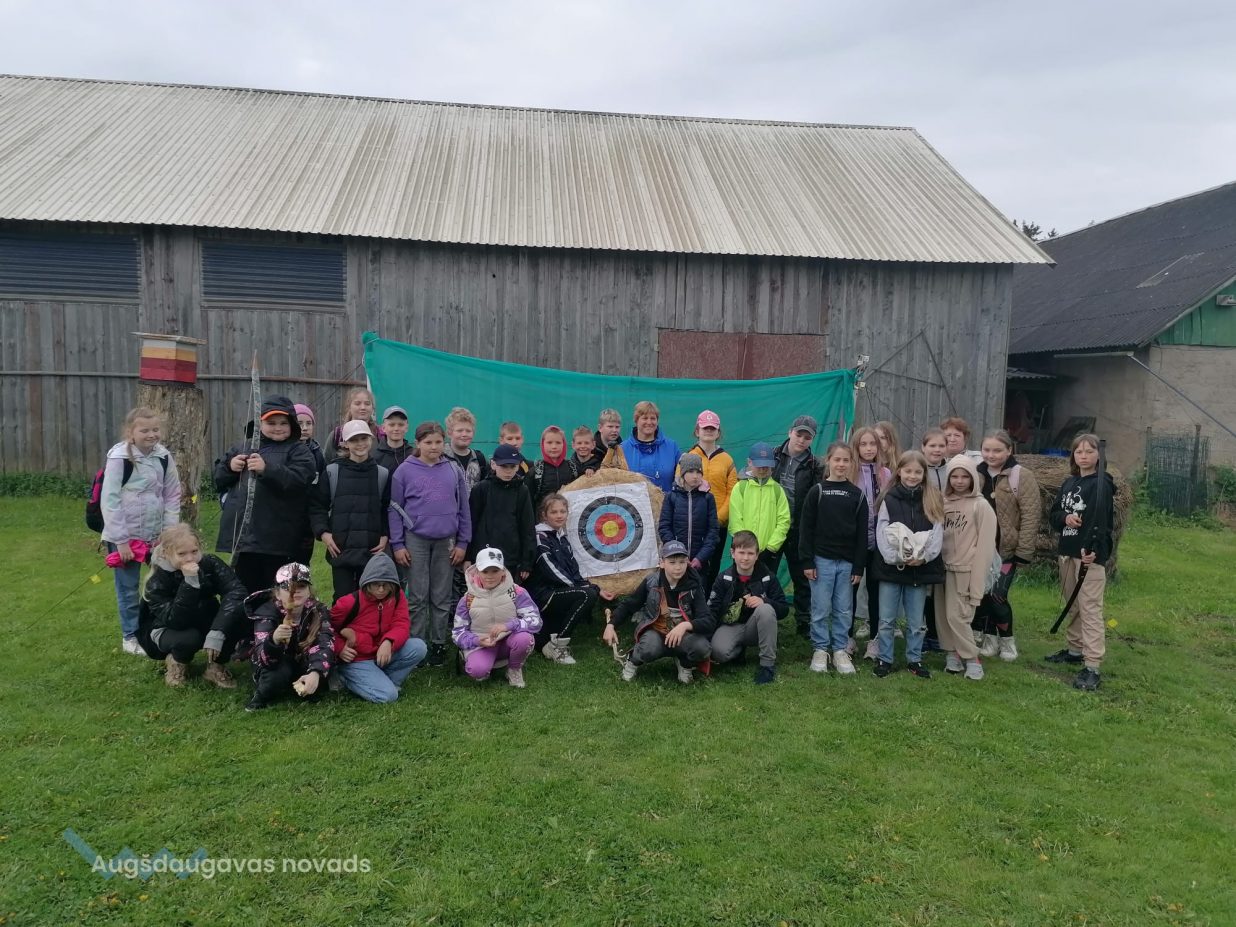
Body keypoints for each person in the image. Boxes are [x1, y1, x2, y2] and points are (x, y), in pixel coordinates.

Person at [214, 395, 318, 595]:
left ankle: (274, 616)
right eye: (271, 423)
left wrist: (267, 469)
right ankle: (247, 616)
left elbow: (300, 479)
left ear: (292, 425)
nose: (277, 428)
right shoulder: (242, 447)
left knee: (277, 591)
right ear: (259, 424)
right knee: (245, 590)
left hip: (279, 539)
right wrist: (229, 467)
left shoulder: (298, 451)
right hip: (245, 539)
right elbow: (218, 479)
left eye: (283, 423)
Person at [389, 421, 472, 667]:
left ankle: (438, 643)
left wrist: (463, 542)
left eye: (438, 442)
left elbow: (464, 508)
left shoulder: (452, 469)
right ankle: (417, 644)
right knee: (417, 595)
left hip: (446, 541)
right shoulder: (404, 471)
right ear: (418, 443)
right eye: (428, 442)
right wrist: (398, 544)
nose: (434, 447)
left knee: (441, 595)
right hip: (416, 540)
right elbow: (394, 508)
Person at [101, 406, 182, 654]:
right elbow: (110, 500)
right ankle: (130, 637)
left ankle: (157, 629)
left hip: (157, 536)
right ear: (130, 432)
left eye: (155, 429)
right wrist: (121, 540)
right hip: (126, 537)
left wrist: (168, 534)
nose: (151, 435)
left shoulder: (163, 456)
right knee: (128, 588)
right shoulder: (119, 459)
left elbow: (172, 494)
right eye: (144, 430)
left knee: (162, 582)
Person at [137, 523, 247, 688]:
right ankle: (177, 662)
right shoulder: (157, 579)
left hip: (204, 618)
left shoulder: (209, 563)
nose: (190, 558)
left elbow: (236, 591)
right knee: (189, 638)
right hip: (168, 628)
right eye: (182, 554)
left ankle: (215, 666)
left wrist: (218, 630)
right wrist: (190, 582)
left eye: (194, 551)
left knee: (237, 618)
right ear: (166, 553)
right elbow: (175, 620)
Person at [1047, 433, 1115, 691]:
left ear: (1099, 455)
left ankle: (1092, 665)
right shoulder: (1069, 482)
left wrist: (1094, 550)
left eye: (1089, 451)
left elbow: (1102, 523)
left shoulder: (1102, 485)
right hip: (1068, 551)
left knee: (1090, 609)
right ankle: (1075, 650)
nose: (1083, 456)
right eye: (1079, 451)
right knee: (1073, 604)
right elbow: (1053, 515)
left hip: (1088, 556)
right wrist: (1065, 518)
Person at [871, 450, 945, 679]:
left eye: (917, 472)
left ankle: (914, 659)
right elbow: (882, 532)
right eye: (908, 471)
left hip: (919, 570)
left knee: (915, 621)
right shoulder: (889, 498)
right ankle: (885, 658)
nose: (912, 476)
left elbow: (937, 532)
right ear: (899, 472)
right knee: (886, 619)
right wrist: (896, 558)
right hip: (892, 569)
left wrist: (924, 557)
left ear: (924, 474)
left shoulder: (932, 499)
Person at [801, 442, 868, 674]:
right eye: (837, 459)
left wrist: (858, 566)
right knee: (820, 607)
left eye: (845, 460)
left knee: (844, 609)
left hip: (847, 564)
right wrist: (807, 561)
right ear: (828, 460)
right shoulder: (817, 492)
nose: (841, 464)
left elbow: (862, 535)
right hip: (822, 562)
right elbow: (806, 529)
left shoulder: (857, 495)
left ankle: (840, 649)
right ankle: (820, 648)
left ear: (851, 463)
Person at [604, 541, 713, 684]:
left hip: (682, 636)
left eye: (682, 562)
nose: (678, 567)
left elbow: (708, 620)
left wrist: (685, 626)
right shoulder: (651, 582)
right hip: (656, 633)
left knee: (702, 648)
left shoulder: (694, 585)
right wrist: (611, 625)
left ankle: (685, 663)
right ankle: (633, 661)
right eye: (672, 562)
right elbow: (630, 604)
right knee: (648, 649)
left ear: (687, 562)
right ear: (662, 563)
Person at [973, 430, 1040, 662]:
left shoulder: (1021, 476)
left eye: (997, 450)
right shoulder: (976, 474)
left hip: (1006, 551)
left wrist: (1024, 550)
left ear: (1009, 450)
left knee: (998, 596)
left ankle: (1007, 641)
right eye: (987, 450)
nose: (991, 455)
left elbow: (1031, 514)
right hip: (980, 549)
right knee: (983, 596)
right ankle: (989, 639)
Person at [528, 493, 615, 664]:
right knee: (586, 595)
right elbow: (550, 569)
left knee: (589, 593)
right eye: (554, 512)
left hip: (560, 591)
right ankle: (559, 646)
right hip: (543, 595)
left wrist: (596, 588)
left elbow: (574, 571)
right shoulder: (540, 537)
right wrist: (583, 589)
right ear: (544, 515)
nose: (559, 515)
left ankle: (551, 642)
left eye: (563, 511)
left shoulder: (562, 538)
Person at [308, 421, 391, 600]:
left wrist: (385, 535)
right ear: (345, 443)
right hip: (341, 550)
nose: (360, 444)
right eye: (354, 440)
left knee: (369, 600)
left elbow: (386, 509)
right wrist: (324, 533)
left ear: (371, 440)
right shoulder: (332, 472)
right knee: (343, 600)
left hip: (371, 550)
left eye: (364, 438)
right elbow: (317, 507)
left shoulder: (382, 474)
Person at [329, 553, 427, 703]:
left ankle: (384, 681)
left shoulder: (398, 596)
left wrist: (389, 642)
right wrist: (340, 648)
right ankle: (345, 678)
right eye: (376, 584)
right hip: (356, 659)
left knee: (419, 647)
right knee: (389, 696)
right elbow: (326, 630)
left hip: (381, 653)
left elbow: (402, 624)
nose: (381, 589)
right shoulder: (348, 603)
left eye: (386, 585)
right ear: (367, 582)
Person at [935, 455, 998, 681]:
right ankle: (952, 654)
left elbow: (986, 548)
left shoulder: (981, 506)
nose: (959, 481)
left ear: (973, 478)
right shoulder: (942, 502)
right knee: (943, 616)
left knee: (958, 616)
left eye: (965, 476)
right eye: (955, 476)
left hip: (966, 570)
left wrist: (977, 581)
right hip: (942, 568)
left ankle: (972, 659)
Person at [245, 562, 334, 711]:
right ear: (277, 593)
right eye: (287, 587)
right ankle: (260, 696)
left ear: (309, 591)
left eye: (302, 586)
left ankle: (306, 686)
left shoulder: (319, 610)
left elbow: (325, 642)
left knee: (323, 673)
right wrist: (273, 640)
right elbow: (262, 658)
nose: (295, 591)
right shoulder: (266, 613)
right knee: (275, 676)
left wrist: (316, 672)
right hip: (275, 663)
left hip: (303, 658)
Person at [452, 547, 542, 688]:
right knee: (478, 671)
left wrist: (508, 626)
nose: (490, 576)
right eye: (485, 571)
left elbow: (535, 621)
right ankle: (477, 663)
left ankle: (514, 668)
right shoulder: (467, 599)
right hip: (482, 644)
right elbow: (457, 633)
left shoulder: (517, 592)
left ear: (503, 571)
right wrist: (477, 640)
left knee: (524, 638)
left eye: (495, 571)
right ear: (477, 572)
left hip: (509, 641)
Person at [707, 530, 788, 684]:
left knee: (766, 609)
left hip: (756, 627)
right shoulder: (723, 578)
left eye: (750, 553)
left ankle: (767, 665)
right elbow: (712, 610)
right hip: (731, 626)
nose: (745, 558)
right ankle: (738, 651)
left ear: (757, 555)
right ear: (732, 553)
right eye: (741, 552)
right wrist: (706, 638)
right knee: (719, 653)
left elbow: (784, 609)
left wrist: (764, 601)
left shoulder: (768, 577)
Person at [769, 415, 825, 635]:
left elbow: (817, 499)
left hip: (799, 528)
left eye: (807, 437)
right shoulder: (772, 455)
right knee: (767, 574)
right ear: (790, 432)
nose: (801, 440)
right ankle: (766, 616)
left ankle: (803, 620)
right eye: (798, 434)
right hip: (773, 527)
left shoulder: (815, 465)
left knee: (802, 577)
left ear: (812, 439)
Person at [682, 410, 739, 588]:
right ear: (697, 431)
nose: (708, 431)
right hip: (692, 525)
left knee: (712, 567)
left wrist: (718, 518)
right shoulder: (687, 457)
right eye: (704, 428)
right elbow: (680, 486)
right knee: (690, 567)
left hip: (717, 525)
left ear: (718, 432)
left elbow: (733, 492)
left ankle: (709, 602)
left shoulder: (727, 460)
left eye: (712, 428)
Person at [850, 426, 892, 660]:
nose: (868, 449)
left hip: (879, 542)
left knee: (877, 592)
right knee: (850, 590)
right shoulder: (849, 472)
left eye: (872, 444)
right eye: (863, 444)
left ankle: (875, 639)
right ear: (856, 447)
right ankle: (847, 637)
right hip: (854, 541)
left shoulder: (885, 473)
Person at [468, 443, 536, 584]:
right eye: (504, 466)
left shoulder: (522, 490)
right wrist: (468, 557)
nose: (508, 471)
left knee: (508, 594)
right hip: (483, 558)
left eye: (513, 466)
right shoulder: (481, 489)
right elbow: (471, 524)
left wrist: (526, 562)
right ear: (493, 464)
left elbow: (527, 526)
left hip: (511, 558)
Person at [728, 442, 791, 569]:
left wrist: (771, 548)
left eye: (766, 466)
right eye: (759, 465)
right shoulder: (740, 487)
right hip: (743, 553)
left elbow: (784, 521)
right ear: (749, 462)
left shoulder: (777, 490)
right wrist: (745, 549)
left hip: (768, 554)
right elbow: (735, 520)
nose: (762, 469)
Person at [658, 453, 720, 575]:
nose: (695, 476)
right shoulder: (671, 497)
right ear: (683, 473)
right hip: (676, 561)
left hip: (700, 563)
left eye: (698, 472)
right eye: (691, 471)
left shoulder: (708, 498)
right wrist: (678, 554)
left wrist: (700, 557)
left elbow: (713, 530)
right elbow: (664, 527)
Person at [620, 400, 679, 491]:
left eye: (653, 418)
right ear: (636, 420)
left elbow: (681, 479)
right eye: (645, 418)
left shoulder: (672, 447)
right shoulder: (622, 449)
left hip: (666, 500)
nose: (649, 422)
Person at [527, 425, 580, 507]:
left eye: (558, 443)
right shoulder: (536, 471)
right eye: (549, 442)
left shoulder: (573, 468)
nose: (554, 447)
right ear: (542, 444)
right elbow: (528, 502)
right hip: (543, 514)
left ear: (564, 444)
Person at [444, 407, 488, 494]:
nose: (464, 434)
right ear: (449, 433)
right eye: (459, 430)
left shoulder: (480, 459)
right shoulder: (441, 457)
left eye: (468, 431)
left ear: (473, 433)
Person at [328, 388, 383, 457]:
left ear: (373, 408)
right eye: (357, 403)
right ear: (349, 407)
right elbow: (327, 461)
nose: (363, 407)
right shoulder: (337, 435)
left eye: (367, 404)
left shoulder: (380, 435)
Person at [374, 405, 414, 473]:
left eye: (401, 425)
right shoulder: (375, 456)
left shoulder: (413, 455)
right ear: (383, 428)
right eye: (392, 425)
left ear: (406, 428)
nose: (396, 429)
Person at [295, 403, 327, 474]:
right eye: (299, 423)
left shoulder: (317, 451)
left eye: (308, 423)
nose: (305, 428)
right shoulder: (283, 451)